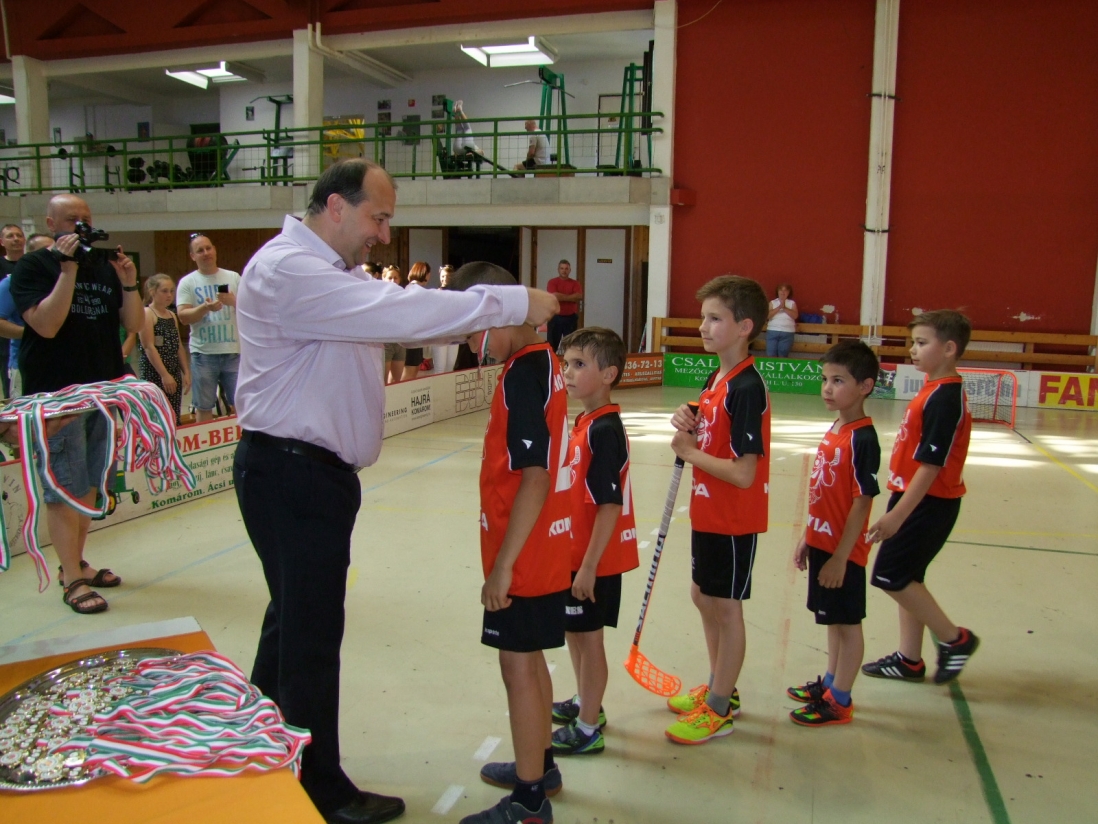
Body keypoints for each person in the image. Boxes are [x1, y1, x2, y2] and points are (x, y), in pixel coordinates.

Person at [233, 158, 559, 824]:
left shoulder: (333, 275)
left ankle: (258, 746)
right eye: (378, 218)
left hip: (308, 477)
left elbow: (409, 316)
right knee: (310, 636)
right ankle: (320, 787)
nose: (383, 235)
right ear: (335, 206)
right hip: (292, 475)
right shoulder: (288, 271)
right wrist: (511, 302)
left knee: (291, 621)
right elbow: (401, 309)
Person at [447, 261, 570, 824]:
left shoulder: (524, 373)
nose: (470, 345)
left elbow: (535, 477)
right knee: (531, 658)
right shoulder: (538, 363)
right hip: (537, 547)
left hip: (524, 553)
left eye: (472, 331)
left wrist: (503, 567)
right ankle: (540, 764)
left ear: (498, 312)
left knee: (516, 666)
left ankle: (529, 800)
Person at [10, 194, 144, 614]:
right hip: (57, 397)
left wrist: (128, 283)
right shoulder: (34, 266)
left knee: (89, 483)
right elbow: (46, 325)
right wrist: (67, 268)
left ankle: (77, 563)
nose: (81, 226)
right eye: (72, 220)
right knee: (62, 486)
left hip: (101, 392)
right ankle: (71, 578)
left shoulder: (101, 267)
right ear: (51, 223)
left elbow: (134, 324)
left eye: (86, 219)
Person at [664, 275, 770, 744]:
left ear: (744, 326)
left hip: (733, 517)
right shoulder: (718, 379)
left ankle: (720, 708)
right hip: (708, 511)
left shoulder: (747, 386)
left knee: (726, 607)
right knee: (703, 596)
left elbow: (745, 473)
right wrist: (688, 416)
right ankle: (719, 685)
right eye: (702, 317)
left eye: (714, 318)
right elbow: (710, 428)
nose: (703, 327)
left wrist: (689, 453)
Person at [862, 310, 979, 684]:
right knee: (908, 577)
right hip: (912, 496)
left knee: (890, 575)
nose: (913, 349)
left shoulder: (945, 397)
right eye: (913, 342)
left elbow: (931, 465)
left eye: (922, 343)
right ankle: (909, 659)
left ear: (949, 348)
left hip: (930, 502)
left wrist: (897, 516)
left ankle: (955, 639)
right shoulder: (933, 388)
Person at [550, 327, 638, 756]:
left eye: (579, 364)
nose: (568, 372)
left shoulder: (604, 429)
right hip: (574, 552)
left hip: (593, 561)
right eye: (566, 363)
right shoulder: (585, 422)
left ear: (609, 375)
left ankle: (588, 728)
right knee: (574, 631)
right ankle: (587, 701)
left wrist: (588, 567)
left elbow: (609, 505)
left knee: (590, 639)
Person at [788, 340, 880, 726]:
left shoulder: (862, 438)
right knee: (831, 620)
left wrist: (842, 557)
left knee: (847, 624)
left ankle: (841, 699)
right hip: (823, 541)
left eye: (838, 381)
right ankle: (830, 681)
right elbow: (825, 492)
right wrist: (809, 537)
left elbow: (861, 501)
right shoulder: (837, 426)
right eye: (825, 379)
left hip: (845, 552)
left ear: (865, 386)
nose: (827, 388)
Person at [177, 233, 241, 422]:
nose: (206, 253)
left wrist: (234, 301)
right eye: (200, 250)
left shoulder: (233, 277)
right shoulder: (188, 282)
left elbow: (252, 309)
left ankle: (241, 439)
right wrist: (205, 308)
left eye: (208, 248)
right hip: (203, 354)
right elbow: (183, 316)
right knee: (204, 405)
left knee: (241, 404)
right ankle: (205, 440)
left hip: (233, 352)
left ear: (214, 250)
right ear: (193, 256)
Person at [138, 274, 190, 424]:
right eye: (164, 291)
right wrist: (164, 374)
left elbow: (178, 346)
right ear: (152, 292)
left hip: (173, 370)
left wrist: (186, 372)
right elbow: (148, 347)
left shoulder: (172, 315)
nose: (169, 295)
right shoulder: (147, 313)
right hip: (155, 371)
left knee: (173, 415)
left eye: (172, 291)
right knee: (157, 416)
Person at [0, 223, 25, 396]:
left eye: (19, 235)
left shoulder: (32, 265)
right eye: (10, 236)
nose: (15, 239)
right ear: (2, 242)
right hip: (7, 332)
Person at [400, 262, 430, 380]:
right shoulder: (415, 290)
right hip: (411, 336)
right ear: (425, 274)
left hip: (415, 336)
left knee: (413, 369)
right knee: (410, 371)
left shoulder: (410, 288)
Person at [546, 259, 582, 351]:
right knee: (552, 346)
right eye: (562, 268)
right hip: (555, 318)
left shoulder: (575, 283)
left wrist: (561, 297)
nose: (564, 271)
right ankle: (552, 360)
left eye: (566, 268)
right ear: (558, 270)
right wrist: (571, 297)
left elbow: (578, 296)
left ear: (570, 270)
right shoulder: (552, 282)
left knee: (571, 346)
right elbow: (554, 296)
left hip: (571, 318)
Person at [381, 265, 408, 383]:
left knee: (396, 382)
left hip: (400, 342)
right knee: (383, 382)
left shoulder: (403, 295)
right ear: (383, 278)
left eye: (395, 278)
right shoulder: (379, 296)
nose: (393, 280)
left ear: (400, 279)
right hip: (385, 342)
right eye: (390, 277)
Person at [765, 283, 797, 357]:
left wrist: (784, 308)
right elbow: (768, 316)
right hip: (773, 331)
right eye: (781, 290)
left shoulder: (792, 303)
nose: (783, 292)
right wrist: (779, 307)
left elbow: (795, 316)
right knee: (771, 354)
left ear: (789, 292)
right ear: (777, 292)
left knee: (783, 355)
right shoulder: (772, 303)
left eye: (785, 290)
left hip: (787, 332)